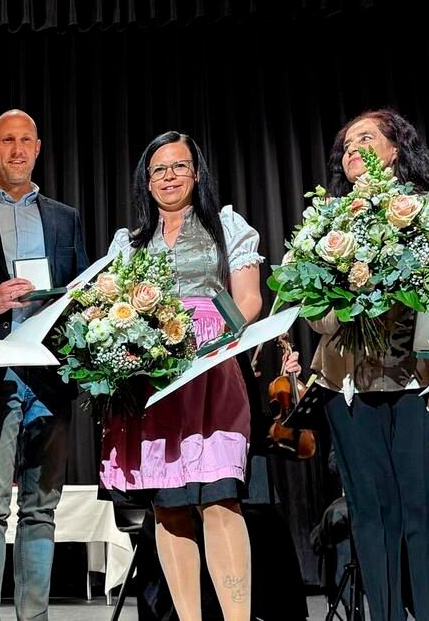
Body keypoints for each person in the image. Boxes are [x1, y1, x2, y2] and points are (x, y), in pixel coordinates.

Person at [304, 108, 429, 621]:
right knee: (372, 516)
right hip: (351, 389)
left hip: (421, 383)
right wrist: (351, 296)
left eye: (365, 137)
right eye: (345, 143)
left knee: (426, 511)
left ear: (396, 148)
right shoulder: (328, 221)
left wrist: (400, 285)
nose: (351, 147)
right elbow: (317, 319)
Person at [102, 131, 264, 621]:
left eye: (179, 167)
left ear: (196, 174)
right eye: (159, 170)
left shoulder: (226, 226)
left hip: (213, 372)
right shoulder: (129, 244)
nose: (169, 177)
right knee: (169, 505)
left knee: (220, 499)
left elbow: (250, 299)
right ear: (146, 183)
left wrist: (218, 342)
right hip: (155, 382)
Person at [0, 109, 90, 621]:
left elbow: (81, 298)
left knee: (41, 510)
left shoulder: (65, 217)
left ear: (39, 147)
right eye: (7, 140)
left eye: (26, 139)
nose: (17, 149)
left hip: (48, 377)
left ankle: (35, 617)